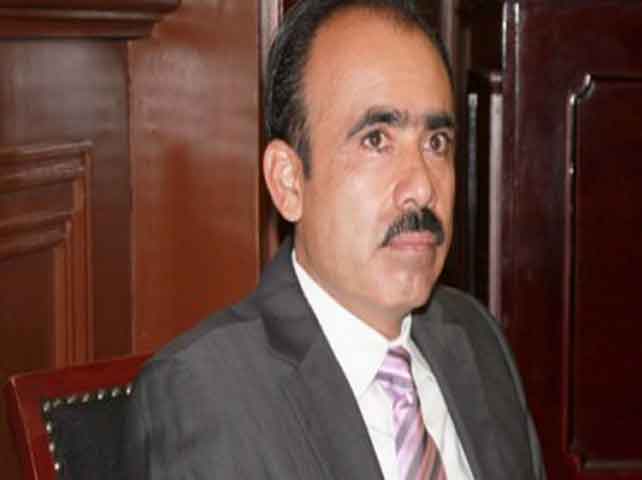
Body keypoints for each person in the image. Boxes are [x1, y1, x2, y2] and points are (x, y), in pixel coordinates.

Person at [123, 0, 546, 478]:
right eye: (376, 140)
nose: (422, 186)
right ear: (288, 182)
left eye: (436, 143)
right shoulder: (206, 396)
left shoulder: (476, 339)